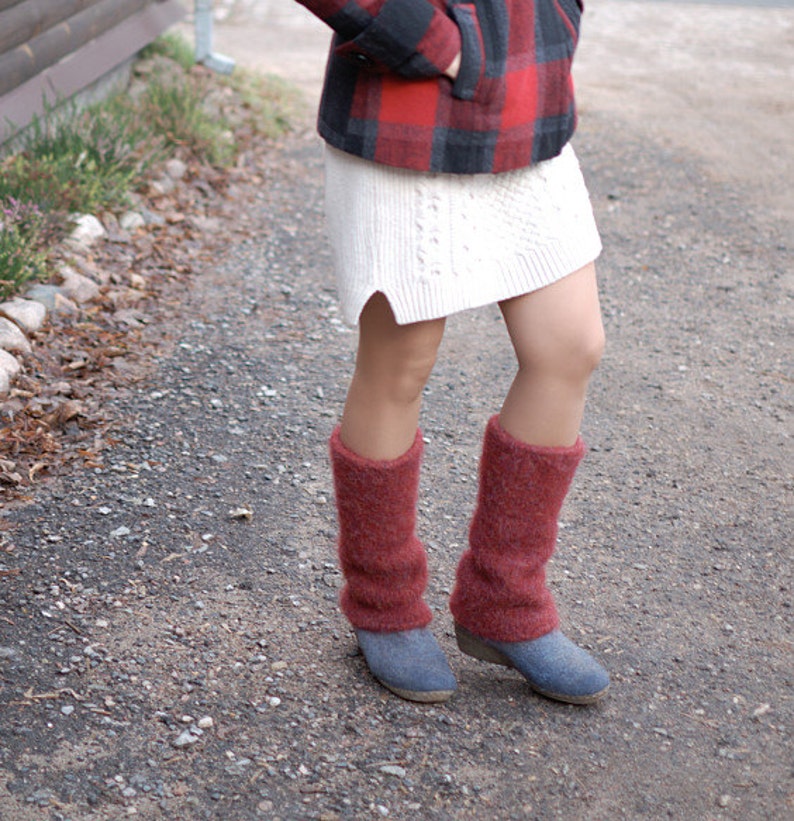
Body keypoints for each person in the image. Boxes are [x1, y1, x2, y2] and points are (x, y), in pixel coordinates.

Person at [296, 0, 610, 704]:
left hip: (529, 95)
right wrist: (427, 38)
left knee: (570, 344)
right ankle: (383, 603)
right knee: (400, 361)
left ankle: (506, 601)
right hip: (405, 100)